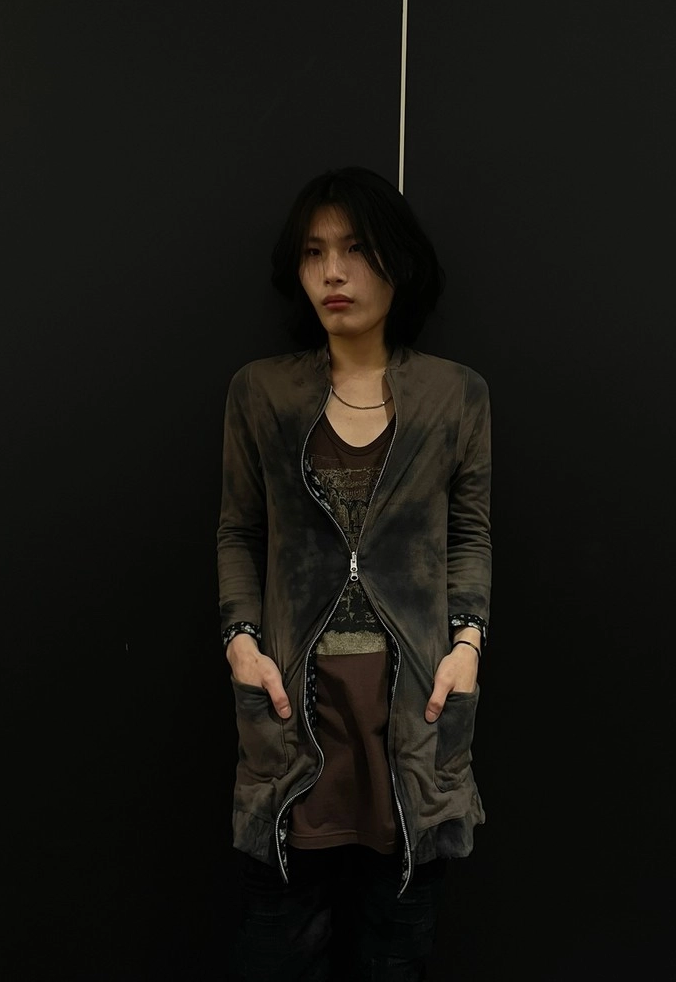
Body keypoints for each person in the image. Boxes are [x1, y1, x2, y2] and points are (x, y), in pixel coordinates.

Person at [217, 166, 492, 981]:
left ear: (397, 262)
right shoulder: (262, 393)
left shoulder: (455, 396)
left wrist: (467, 645)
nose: (332, 273)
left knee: (395, 955)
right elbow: (238, 531)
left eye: (356, 250)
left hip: (411, 717)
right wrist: (240, 642)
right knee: (279, 950)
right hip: (291, 714)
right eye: (314, 252)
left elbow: (470, 534)